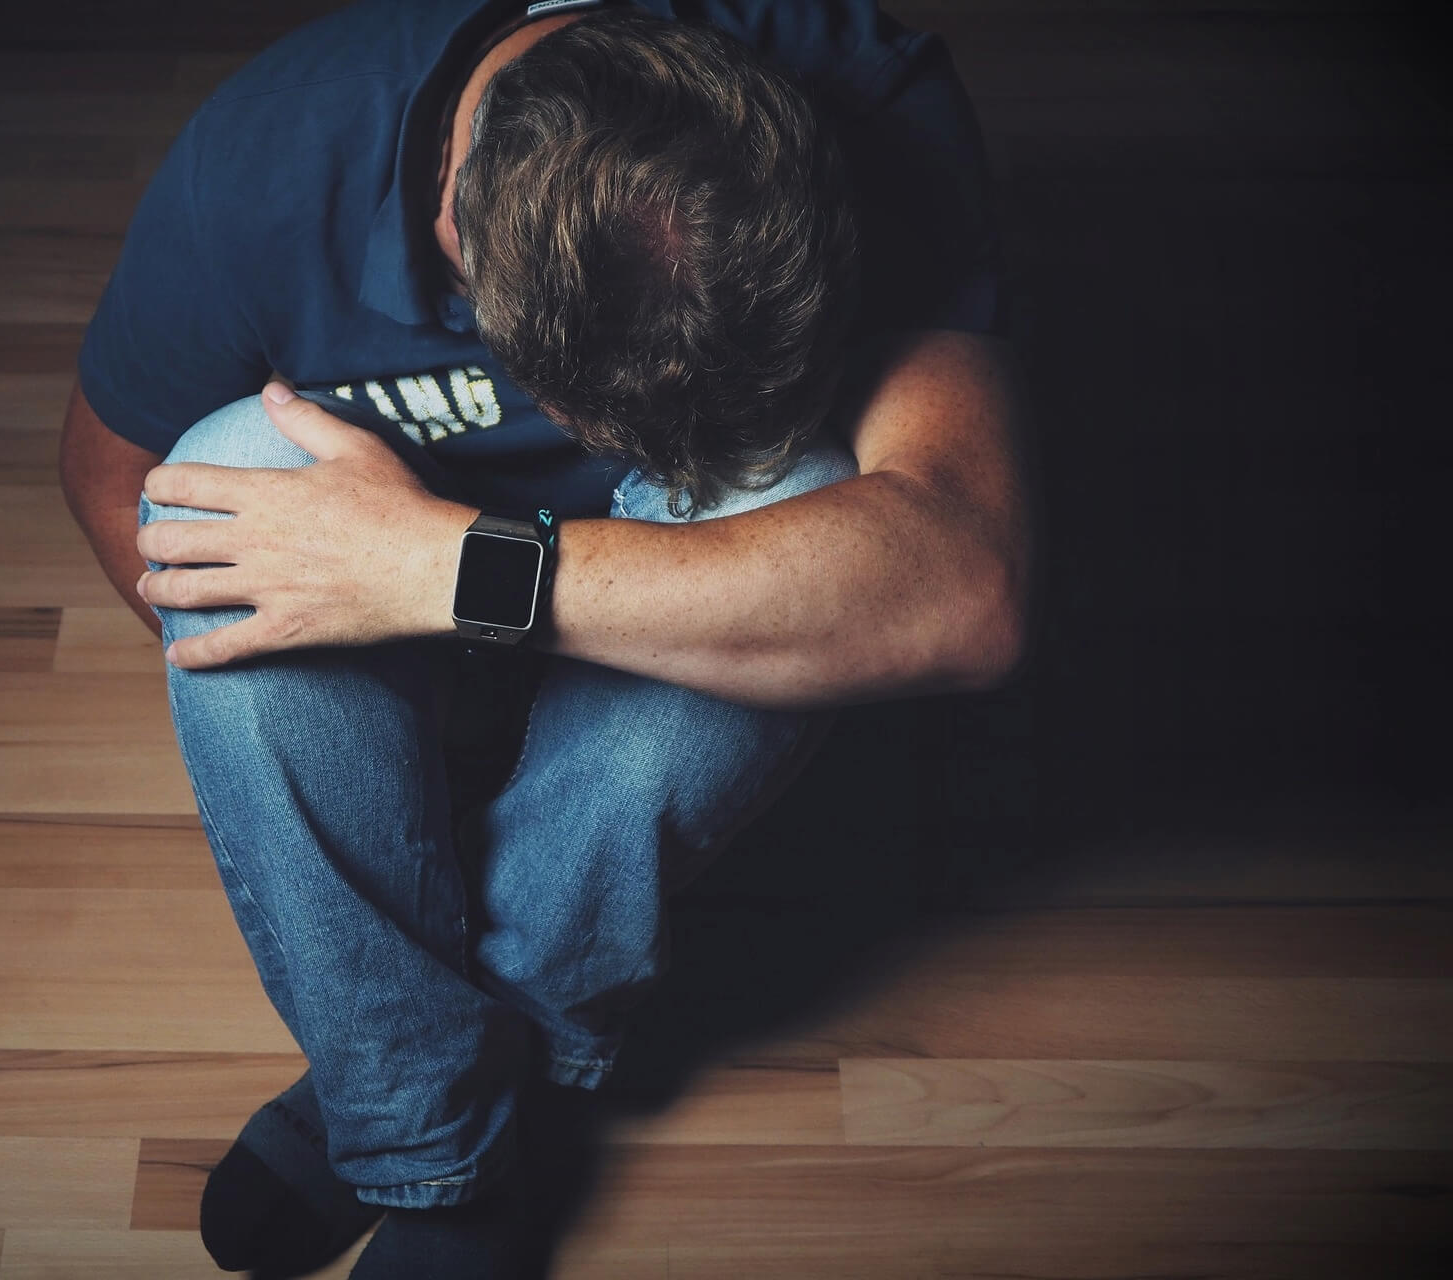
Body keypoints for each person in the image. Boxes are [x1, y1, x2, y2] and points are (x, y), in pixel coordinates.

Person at [58, 1, 1031, 1274]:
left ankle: (447, 1104)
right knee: (223, 473)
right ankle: (425, 1109)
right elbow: (107, 475)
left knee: (803, 494)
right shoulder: (270, 163)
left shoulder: (872, 100)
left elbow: (969, 592)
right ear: (455, 227)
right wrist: (391, 699)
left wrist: (450, 572)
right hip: (410, 606)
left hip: (548, 605)